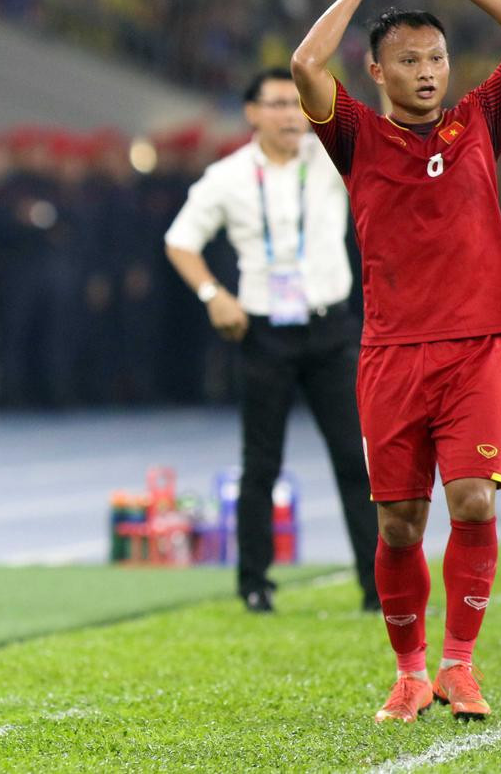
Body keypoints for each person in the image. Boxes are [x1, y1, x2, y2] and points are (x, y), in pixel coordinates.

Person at [291, 0, 501, 723]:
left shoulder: (483, 122)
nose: (427, 73)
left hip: (476, 346)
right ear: (378, 70)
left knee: (475, 505)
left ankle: (460, 665)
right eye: (410, 61)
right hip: (391, 352)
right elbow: (303, 65)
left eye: (436, 59)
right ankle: (410, 670)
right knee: (398, 523)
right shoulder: (355, 135)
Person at [165, 69, 378, 614]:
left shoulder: (329, 158)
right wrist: (214, 294)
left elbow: (381, 128)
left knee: (357, 461)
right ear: (252, 113)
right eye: (278, 103)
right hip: (263, 332)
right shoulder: (228, 176)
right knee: (261, 463)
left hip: (332, 329)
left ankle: (377, 587)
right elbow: (180, 241)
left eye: (296, 103)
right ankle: (254, 584)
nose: (290, 114)